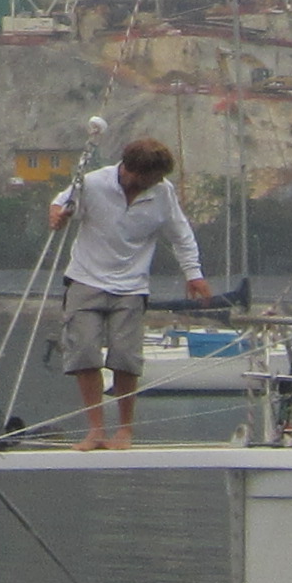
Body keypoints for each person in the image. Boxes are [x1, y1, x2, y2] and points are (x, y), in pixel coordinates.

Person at [47, 134, 207, 451]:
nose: (156, 183)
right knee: (85, 353)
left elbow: (181, 234)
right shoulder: (93, 183)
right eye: (152, 178)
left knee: (125, 358)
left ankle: (124, 431)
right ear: (132, 171)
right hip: (85, 279)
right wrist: (57, 215)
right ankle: (95, 430)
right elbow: (61, 204)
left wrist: (194, 274)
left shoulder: (163, 192)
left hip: (132, 286)